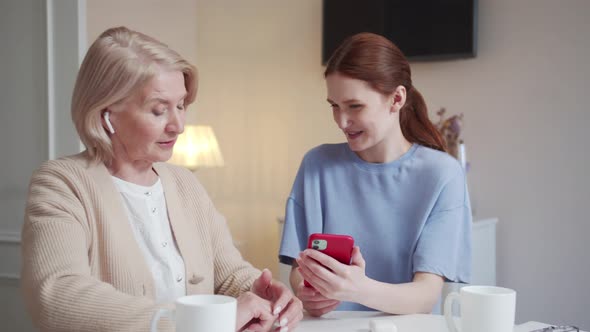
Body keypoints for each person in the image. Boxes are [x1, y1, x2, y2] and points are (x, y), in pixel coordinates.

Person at [21, 26, 302, 332]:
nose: (178, 125)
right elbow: (58, 296)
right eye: (158, 110)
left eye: (181, 106)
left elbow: (228, 274)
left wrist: (259, 292)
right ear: (107, 114)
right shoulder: (62, 185)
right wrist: (195, 323)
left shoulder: (185, 183)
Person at [279, 32, 472, 316]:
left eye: (355, 106)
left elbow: (425, 296)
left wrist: (355, 289)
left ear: (396, 98)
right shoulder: (316, 165)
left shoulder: (442, 175)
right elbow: (299, 271)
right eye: (334, 106)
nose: (342, 121)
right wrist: (310, 293)